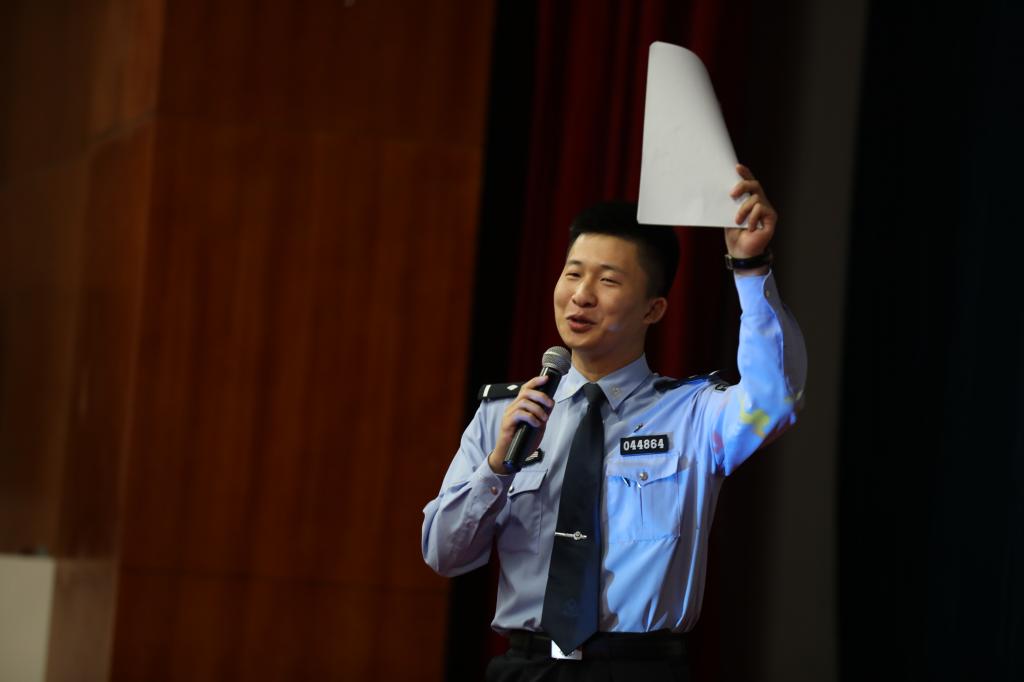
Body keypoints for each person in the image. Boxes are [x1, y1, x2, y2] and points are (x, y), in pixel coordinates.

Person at [422, 165, 807, 681]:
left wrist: (751, 268)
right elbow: (444, 554)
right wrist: (497, 467)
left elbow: (774, 400)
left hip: (637, 668)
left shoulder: (694, 414)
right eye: (573, 273)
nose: (581, 295)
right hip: (525, 668)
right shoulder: (506, 415)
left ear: (654, 309)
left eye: (607, 280)